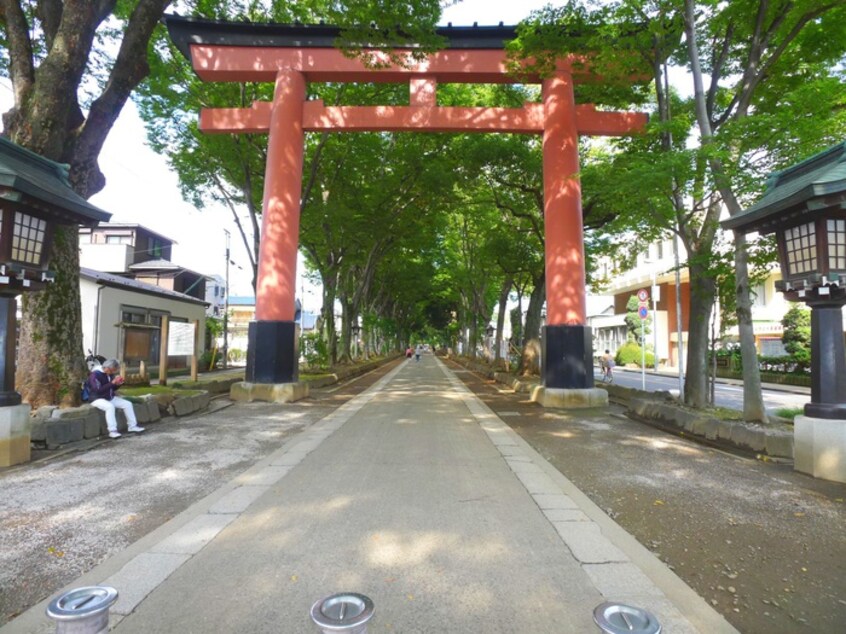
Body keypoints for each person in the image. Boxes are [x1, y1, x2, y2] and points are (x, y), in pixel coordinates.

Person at [88, 358, 145, 438]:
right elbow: (98, 390)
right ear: (107, 368)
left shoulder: (110, 374)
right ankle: (112, 430)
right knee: (110, 407)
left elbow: (112, 388)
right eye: (112, 371)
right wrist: (112, 383)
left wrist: (118, 384)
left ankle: (132, 426)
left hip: (109, 397)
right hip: (97, 398)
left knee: (127, 404)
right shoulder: (95, 375)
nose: (113, 373)